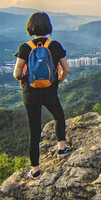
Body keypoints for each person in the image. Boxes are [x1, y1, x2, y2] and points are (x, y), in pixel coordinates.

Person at [13, 11, 71, 179]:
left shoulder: (25, 47)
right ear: (48, 27)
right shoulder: (55, 45)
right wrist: (57, 81)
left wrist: (25, 79)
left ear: (30, 27)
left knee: (34, 129)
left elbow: (17, 74)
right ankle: (61, 148)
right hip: (49, 90)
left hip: (30, 92)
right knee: (58, 115)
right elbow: (66, 70)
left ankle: (35, 170)